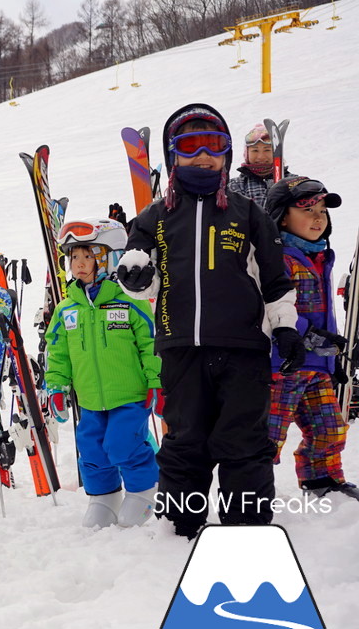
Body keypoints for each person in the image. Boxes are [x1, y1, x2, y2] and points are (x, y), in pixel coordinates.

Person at [116, 104, 303, 538]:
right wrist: (134, 274)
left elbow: (275, 280)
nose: (203, 156)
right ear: (172, 155)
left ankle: (247, 523)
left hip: (243, 349)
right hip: (180, 347)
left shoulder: (246, 213)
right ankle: (180, 526)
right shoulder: (154, 217)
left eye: (213, 146)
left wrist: (286, 327)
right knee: (185, 438)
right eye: (190, 146)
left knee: (243, 440)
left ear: (225, 153)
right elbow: (141, 278)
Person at [42, 219, 162, 528]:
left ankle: (144, 491)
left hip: (130, 395)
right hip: (91, 399)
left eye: (87, 257)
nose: (78, 265)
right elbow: (58, 351)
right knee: (92, 450)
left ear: (108, 258)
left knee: (124, 445)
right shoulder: (67, 308)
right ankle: (105, 498)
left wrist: (157, 383)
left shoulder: (130, 302)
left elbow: (151, 344)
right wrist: (56, 385)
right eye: (73, 258)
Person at [263, 176, 357, 500]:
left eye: (322, 210)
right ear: (282, 216)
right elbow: (272, 308)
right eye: (307, 209)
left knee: (329, 428)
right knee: (267, 436)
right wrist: (311, 336)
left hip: (316, 368)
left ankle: (323, 481)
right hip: (282, 367)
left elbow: (326, 316)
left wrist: (331, 359)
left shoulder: (321, 258)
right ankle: (250, 486)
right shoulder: (278, 260)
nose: (318, 217)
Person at [228, 124, 290, 209]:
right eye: (255, 150)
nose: (261, 156)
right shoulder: (236, 185)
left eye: (267, 150)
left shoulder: (292, 182)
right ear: (247, 154)